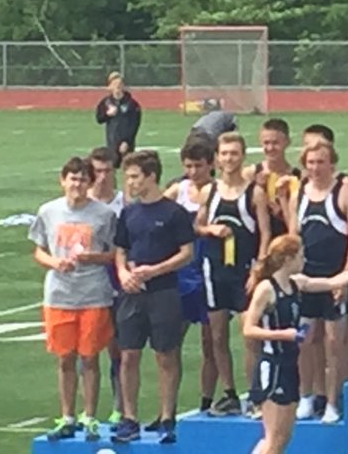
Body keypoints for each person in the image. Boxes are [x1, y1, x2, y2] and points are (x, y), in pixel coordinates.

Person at [243, 235, 348, 454]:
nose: (303, 260)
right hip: (272, 364)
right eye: (300, 256)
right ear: (287, 259)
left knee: (283, 437)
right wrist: (284, 334)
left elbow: (334, 282)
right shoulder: (266, 289)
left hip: (288, 364)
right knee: (273, 438)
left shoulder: (297, 283)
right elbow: (249, 329)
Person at [30, 157, 118, 442]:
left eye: (82, 179)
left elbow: (115, 253)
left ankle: (89, 416)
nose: (77, 184)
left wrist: (93, 258)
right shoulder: (49, 211)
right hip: (59, 294)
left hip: (93, 292)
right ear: (63, 180)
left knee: (90, 357)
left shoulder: (104, 214)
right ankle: (67, 415)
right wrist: (55, 263)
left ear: (90, 183)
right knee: (64, 357)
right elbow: (39, 251)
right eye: (73, 178)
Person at [111, 150, 195, 444]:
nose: (130, 182)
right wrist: (123, 274)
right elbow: (120, 249)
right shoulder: (128, 212)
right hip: (132, 293)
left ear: (150, 176)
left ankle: (167, 416)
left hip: (164, 292)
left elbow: (186, 253)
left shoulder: (174, 213)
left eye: (134, 176)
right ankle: (129, 417)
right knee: (128, 355)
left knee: (165, 354)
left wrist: (155, 270)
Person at [196, 132, 271, 418]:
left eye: (234, 153)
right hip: (214, 270)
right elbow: (197, 226)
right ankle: (228, 393)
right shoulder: (209, 192)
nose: (229, 159)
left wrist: (258, 268)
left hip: (245, 270)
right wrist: (209, 230)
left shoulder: (255, 193)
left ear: (242, 157)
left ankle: (255, 395)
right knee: (217, 336)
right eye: (224, 154)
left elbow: (264, 233)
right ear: (217, 157)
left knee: (249, 335)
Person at [287, 140, 348, 423]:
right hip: (306, 280)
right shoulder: (300, 196)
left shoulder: (344, 194)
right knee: (305, 340)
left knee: (334, 342)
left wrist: (344, 278)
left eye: (321, 162)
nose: (316, 168)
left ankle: (333, 401)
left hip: (334, 278)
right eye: (311, 163)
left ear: (332, 164)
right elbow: (294, 238)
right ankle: (306, 396)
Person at [159, 139, 218, 420]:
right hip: (183, 274)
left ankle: (207, 401)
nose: (193, 172)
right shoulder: (179, 189)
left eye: (199, 166)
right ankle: (167, 409)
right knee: (171, 343)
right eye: (189, 166)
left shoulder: (215, 190)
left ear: (211, 165)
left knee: (212, 342)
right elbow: (157, 209)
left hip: (207, 270)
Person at [86, 147, 126, 428]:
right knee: (86, 348)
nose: (101, 177)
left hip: (116, 278)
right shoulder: (81, 203)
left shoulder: (124, 202)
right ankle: (86, 410)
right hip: (86, 282)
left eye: (107, 171)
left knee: (118, 347)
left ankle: (119, 406)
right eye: (96, 171)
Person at [244, 119, 300, 238]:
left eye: (275, 143)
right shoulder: (250, 174)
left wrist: (281, 208)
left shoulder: (297, 177)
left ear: (287, 142)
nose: (270, 148)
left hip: (284, 241)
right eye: (266, 143)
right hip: (255, 242)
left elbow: (297, 222)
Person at [95, 72, 142, 168]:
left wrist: (127, 141)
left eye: (119, 85)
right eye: (114, 85)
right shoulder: (106, 102)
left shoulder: (131, 104)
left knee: (128, 167)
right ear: (110, 87)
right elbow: (99, 119)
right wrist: (107, 114)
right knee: (112, 168)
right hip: (112, 142)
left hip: (126, 143)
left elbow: (135, 124)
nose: (117, 88)